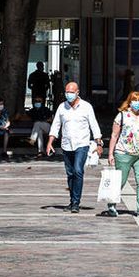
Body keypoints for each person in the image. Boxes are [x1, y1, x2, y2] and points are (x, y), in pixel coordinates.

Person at [46, 81, 102, 213]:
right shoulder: (62, 107)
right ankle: (72, 200)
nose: (69, 94)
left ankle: (76, 203)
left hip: (82, 144)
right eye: (67, 92)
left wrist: (99, 143)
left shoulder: (86, 107)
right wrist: (50, 142)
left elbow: (94, 125)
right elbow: (56, 125)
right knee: (70, 173)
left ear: (77, 93)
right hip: (66, 145)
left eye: (71, 92)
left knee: (78, 170)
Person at [104, 91, 139, 218]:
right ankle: (112, 205)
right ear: (129, 102)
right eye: (135, 100)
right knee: (121, 181)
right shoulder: (122, 116)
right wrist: (110, 154)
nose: (137, 103)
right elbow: (114, 135)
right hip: (123, 153)